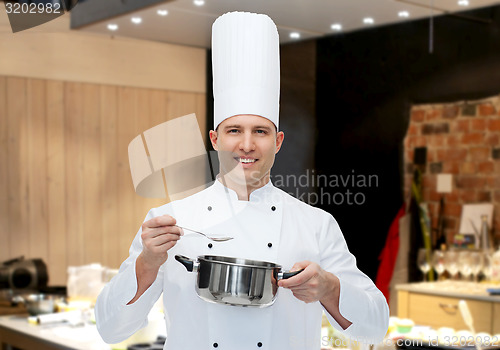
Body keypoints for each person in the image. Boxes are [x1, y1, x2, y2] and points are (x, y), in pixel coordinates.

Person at [95, 11, 389, 350]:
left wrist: (329, 288)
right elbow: (109, 330)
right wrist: (146, 263)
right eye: (234, 130)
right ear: (215, 139)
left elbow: (375, 328)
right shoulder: (170, 223)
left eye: (260, 132)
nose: (247, 145)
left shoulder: (316, 225)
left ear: (277, 142)